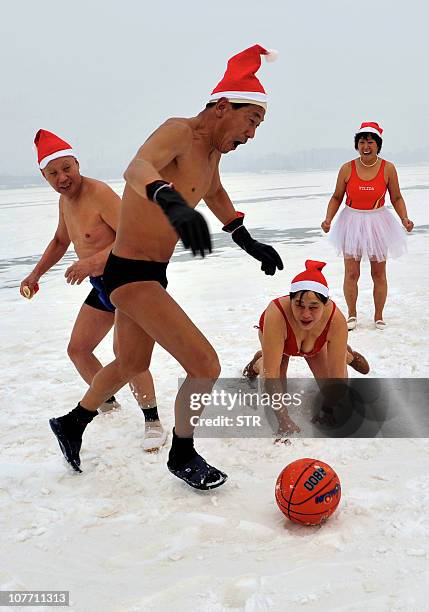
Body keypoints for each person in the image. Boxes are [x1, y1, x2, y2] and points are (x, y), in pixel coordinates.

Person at [49, 45, 284, 489]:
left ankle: (72, 423)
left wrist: (246, 239)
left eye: (258, 125)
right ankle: (183, 453)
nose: (252, 134)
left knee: (129, 361)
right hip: (129, 273)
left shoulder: (212, 155)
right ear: (221, 107)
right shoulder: (179, 132)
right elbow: (136, 168)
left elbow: (213, 193)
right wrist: (166, 196)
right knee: (205, 364)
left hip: (151, 272)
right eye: (251, 121)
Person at [22, 129, 166, 452]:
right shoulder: (65, 202)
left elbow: (133, 238)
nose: (63, 178)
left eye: (67, 168)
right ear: (44, 176)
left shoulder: (98, 193)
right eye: (54, 173)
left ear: (77, 162)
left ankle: (153, 421)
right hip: (103, 286)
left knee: (127, 356)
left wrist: (91, 263)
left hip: (130, 281)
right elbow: (61, 240)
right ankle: (107, 403)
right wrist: (35, 274)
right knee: (78, 348)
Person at [321, 122, 414, 330]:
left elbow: (397, 197)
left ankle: (378, 316)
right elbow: (336, 197)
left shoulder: (388, 168)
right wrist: (328, 219)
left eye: (370, 142)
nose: (366, 146)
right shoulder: (347, 168)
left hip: (378, 222)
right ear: (357, 145)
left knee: (378, 273)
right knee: (351, 273)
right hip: (351, 221)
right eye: (362, 142)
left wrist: (404, 219)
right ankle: (352, 315)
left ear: (378, 145)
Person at [243, 260, 369, 384]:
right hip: (279, 341)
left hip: (317, 344)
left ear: (326, 304)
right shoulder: (277, 313)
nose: (306, 315)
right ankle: (260, 362)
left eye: (313, 307)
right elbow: (271, 375)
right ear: (290, 300)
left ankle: (345, 354)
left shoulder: (335, 319)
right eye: (299, 304)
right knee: (276, 384)